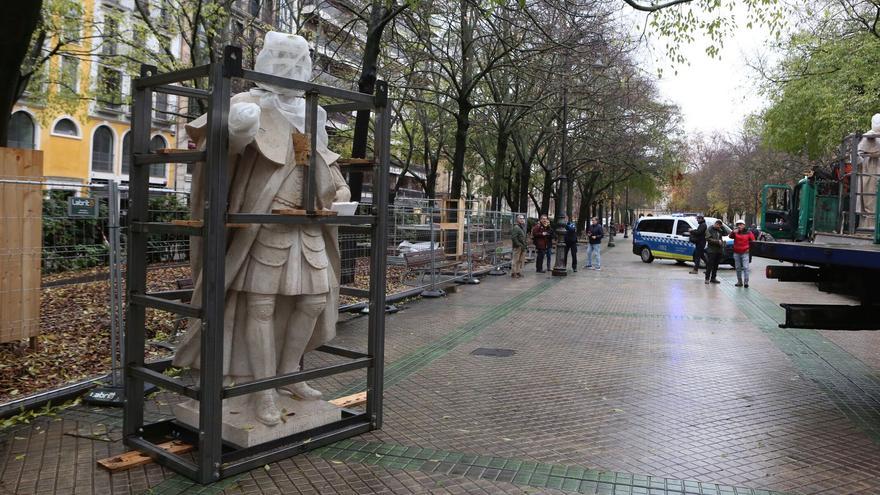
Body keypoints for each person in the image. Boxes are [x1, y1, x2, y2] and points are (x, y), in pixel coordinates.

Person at [173, 32, 349, 426]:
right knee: (261, 306)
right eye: (282, 56)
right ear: (267, 59)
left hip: (306, 222)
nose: (289, 64)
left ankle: (289, 373)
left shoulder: (311, 113)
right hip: (262, 220)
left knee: (315, 300)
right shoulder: (245, 101)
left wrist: (339, 187)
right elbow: (215, 147)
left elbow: (318, 158)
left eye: (297, 57)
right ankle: (261, 389)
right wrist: (236, 130)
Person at [729, 220, 755, 287]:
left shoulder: (748, 232)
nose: (739, 226)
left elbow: (753, 241)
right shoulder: (735, 232)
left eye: (741, 224)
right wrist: (733, 232)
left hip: (745, 252)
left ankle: (746, 282)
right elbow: (730, 236)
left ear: (744, 225)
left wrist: (749, 249)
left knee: (746, 267)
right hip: (736, 252)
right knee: (738, 268)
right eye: (738, 224)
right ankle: (739, 282)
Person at [704, 219, 724, 284]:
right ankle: (707, 278)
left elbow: (725, 233)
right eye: (717, 224)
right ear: (714, 223)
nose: (718, 226)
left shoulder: (720, 230)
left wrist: (722, 226)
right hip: (711, 250)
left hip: (718, 250)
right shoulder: (709, 229)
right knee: (710, 265)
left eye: (719, 225)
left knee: (716, 265)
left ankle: (713, 278)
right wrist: (717, 242)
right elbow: (708, 239)